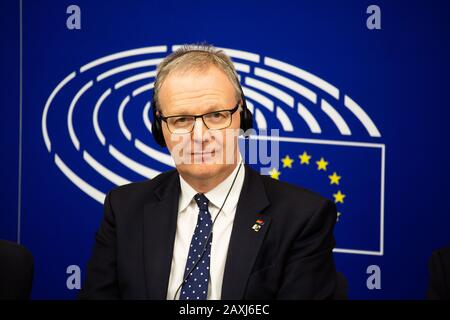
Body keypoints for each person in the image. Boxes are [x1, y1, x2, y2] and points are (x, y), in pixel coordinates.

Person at [78, 44, 339, 300]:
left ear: (242, 118)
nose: (200, 136)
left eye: (216, 115)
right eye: (181, 120)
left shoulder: (304, 216)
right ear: (161, 130)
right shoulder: (124, 208)